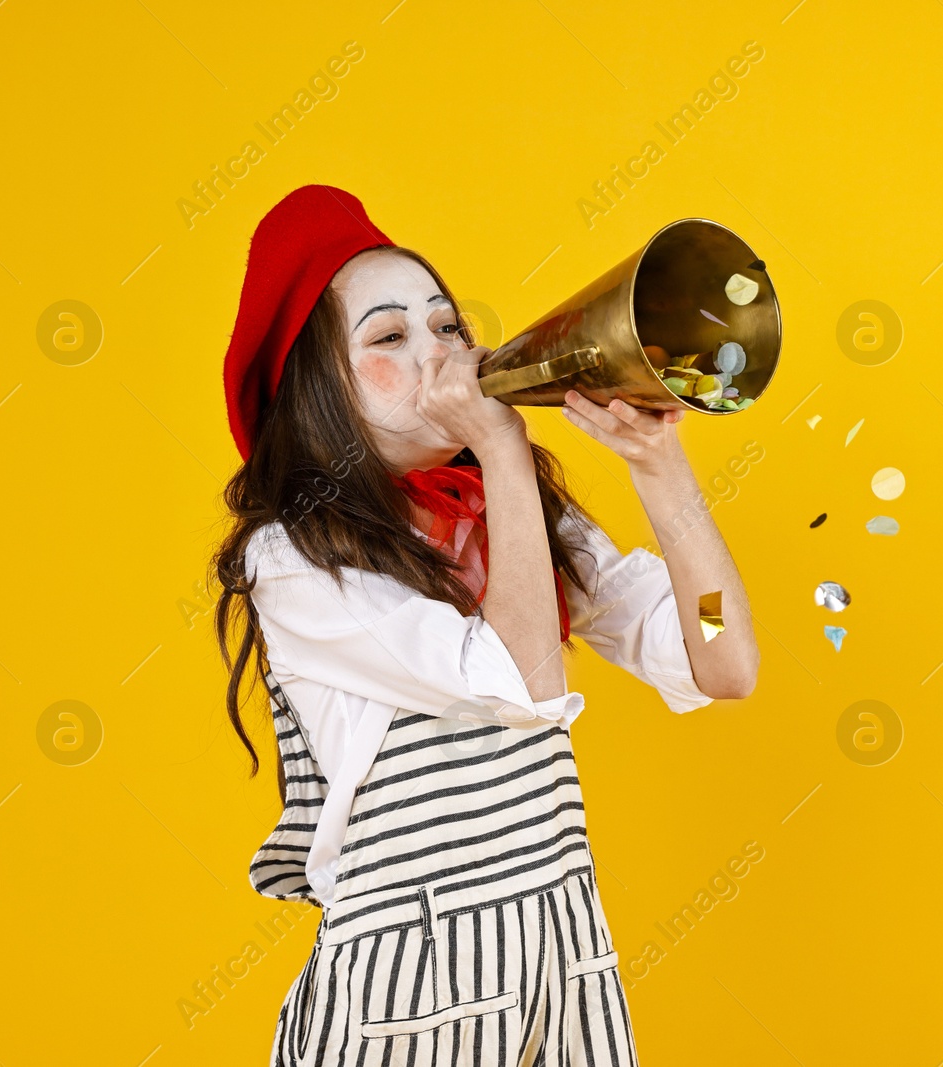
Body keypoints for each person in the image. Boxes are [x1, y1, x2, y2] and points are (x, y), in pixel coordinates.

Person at [212, 185, 758, 1066]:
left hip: (556, 955)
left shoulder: (509, 515)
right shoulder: (294, 559)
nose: (438, 355)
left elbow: (723, 658)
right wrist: (503, 447)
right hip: (415, 984)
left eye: (446, 326)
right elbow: (524, 682)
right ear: (318, 391)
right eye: (389, 337)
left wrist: (662, 469)